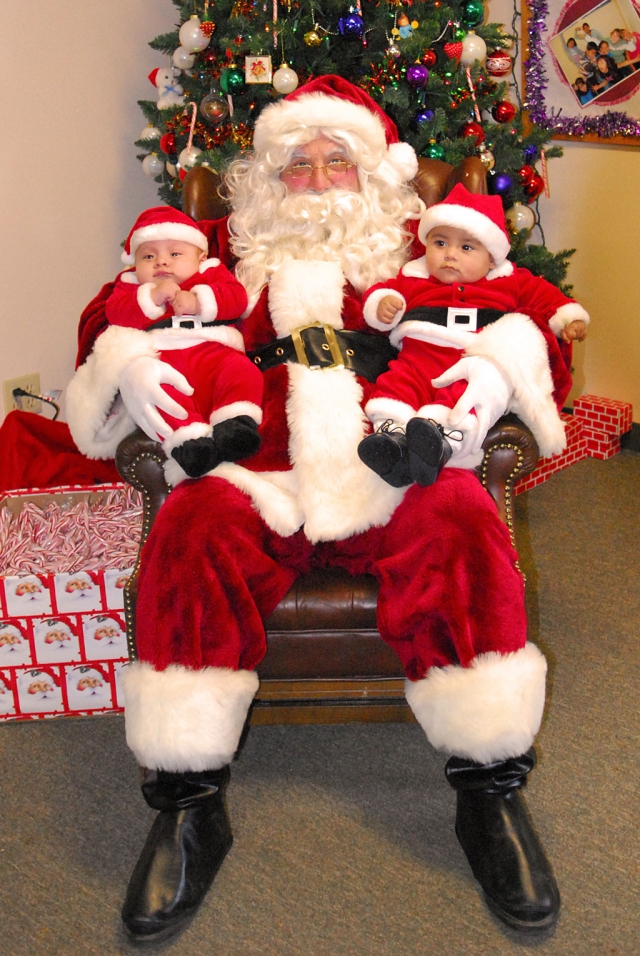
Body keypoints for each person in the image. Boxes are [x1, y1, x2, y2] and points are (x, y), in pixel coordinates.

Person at [67, 75, 570, 944]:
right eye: (297, 162)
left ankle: (488, 792)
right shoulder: (218, 243)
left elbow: (532, 316)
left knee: (459, 522)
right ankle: (190, 804)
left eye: (339, 159)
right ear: (268, 175)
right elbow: (108, 307)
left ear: (374, 172)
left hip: (389, 452)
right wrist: (124, 354)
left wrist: (498, 371)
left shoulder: (431, 245)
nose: (318, 177)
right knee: (190, 532)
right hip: (253, 457)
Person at [356, 185, 589, 487]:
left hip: (473, 357)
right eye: (440, 243)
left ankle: (442, 440)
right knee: (398, 382)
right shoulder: (412, 277)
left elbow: (548, 299)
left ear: (491, 259)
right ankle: (392, 440)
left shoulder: (509, 280)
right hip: (418, 356)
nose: (450, 254)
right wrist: (382, 303)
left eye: (466, 248)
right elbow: (380, 293)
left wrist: (569, 318)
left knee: (470, 393)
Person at [68, 206, 263, 481]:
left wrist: (199, 301)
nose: (161, 262)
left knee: (242, 372)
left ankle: (235, 423)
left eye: (174, 254)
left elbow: (237, 299)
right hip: (163, 357)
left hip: (213, 351)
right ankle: (189, 442)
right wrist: (150, 298)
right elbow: (116, 313)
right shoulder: (131, 285)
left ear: (201, 257)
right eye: (149, 256)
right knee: (160, 398)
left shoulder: (211, 274)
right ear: (134, 263)